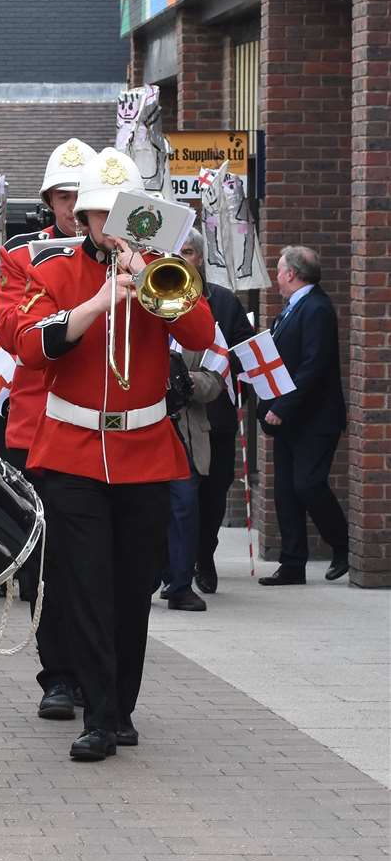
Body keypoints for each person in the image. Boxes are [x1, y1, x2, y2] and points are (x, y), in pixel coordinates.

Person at [10, 148, 215, 761]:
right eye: (100, 214)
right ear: (84, 219)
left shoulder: (161, 270)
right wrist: (100, 302)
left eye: (124, 215)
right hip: (71, 452)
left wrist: (154, 281)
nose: (110, 226)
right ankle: (99, 716)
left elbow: (203, 337)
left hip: (146, 450)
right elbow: (27, 345)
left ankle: (122, 707)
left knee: (133, 587)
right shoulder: (52, 269)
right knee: (88, 586)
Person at [0, 138, 95, 720]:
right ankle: (58, 673)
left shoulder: (125, 251)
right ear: (49, 201)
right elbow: (17, 333)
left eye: (86, 196)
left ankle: (97, 673)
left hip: (104, 428)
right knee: (53, 562)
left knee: (98, 563)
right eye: (66, 195)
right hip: (40, 424)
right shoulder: (24, 255)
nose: (76, 205)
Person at [257, 246, 349, 585]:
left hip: (315, 419)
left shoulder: (317, 308)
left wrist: (282, 407)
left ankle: (342, 544)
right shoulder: (291, 308)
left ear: (292, 274)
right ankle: (292, 564)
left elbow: (314, 366)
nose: (276, 277)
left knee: (308, 485)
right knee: (285, 492)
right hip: (291, 421)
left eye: (279, 271)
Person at [179, 230, 255, 594]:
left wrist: (221, 358)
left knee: (212, 496)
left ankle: (204, 556)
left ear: (201, 258)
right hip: (174, 419)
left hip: (217, 417)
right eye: (176, 253)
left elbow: (245, 352)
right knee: (179, 498)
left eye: (189, 252)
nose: (183, 259)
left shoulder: (224, 301)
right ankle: (175, 565)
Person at [160, 341, 223, 612]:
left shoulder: (203, 327)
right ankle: (151, 576)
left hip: (183, 432)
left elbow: (216, 381)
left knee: (184, 506)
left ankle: (181, 586)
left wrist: (183, 379)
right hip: (139, 429)